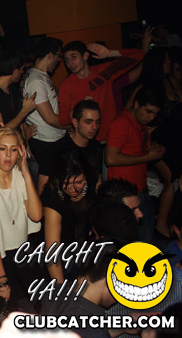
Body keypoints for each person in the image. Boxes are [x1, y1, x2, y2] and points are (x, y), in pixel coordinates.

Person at [0, 128, 43, 312]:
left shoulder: (19, 175)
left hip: (21, 249)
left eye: (13, 149)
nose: (8, 155)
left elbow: (36, 215)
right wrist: (2, 280)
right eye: (3, 148)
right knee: (8, 312)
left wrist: (26, 173)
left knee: (44, 301)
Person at [106, 87, 166, 242]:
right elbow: (110, 158)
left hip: (141, 190)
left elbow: (136, 148)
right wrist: (147, 158)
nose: (151, 117)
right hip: (126, 197)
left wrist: (151, 148)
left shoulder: (140, 122)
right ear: (137, 104)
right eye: (148, 112)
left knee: (144, 242)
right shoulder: (122, 124)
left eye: (155, 114)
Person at [58, 41, 144, 142]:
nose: (70, 63)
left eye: (74, 57)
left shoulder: (103, 71)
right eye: (67, 60)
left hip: (111, 136)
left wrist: (110, 53)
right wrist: (80, 107)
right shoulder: (67, 84)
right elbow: (62, 120)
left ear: (85, 56)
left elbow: (139, 55)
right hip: (86, 140)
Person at [42, 148, 96, 283]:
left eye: (79, 182)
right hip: (63, 257)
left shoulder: (91, 184)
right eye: (66, 183)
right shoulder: (53, 200)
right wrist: (60, 288)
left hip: (85, 250)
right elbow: (52, 253)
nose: (73, 189)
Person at [37, 100, 103, 194]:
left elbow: (98, 182)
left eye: (97, 122)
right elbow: (42, 189)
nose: (94, 127)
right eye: (88, 122)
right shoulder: (55, 150)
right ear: (75, 122)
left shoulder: (96, 147)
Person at [22, 37, 68, 159]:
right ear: (50, 55)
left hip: (51, 139)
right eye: (59, 56)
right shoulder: (36, 81)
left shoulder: (40, 76)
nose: (59, 60)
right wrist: (73, 126)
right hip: (46, 142)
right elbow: (50, 119)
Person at [0, 50, 36, 129]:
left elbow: (17, 119)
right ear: (15, 71)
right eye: (22, 69)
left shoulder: (12, 88)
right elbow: (0, 131)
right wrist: (25, 111)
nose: (22, 72)